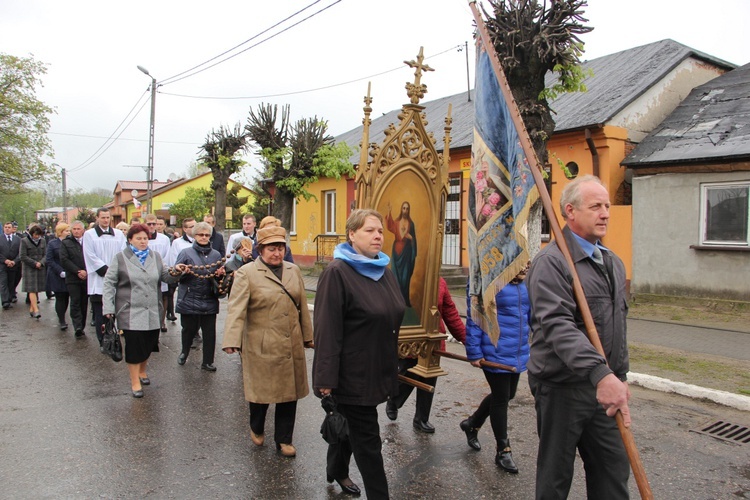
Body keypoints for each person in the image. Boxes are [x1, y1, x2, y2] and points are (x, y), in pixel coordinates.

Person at [526, 175, 631, 499]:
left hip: (605, 389)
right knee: (556, 478)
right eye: (595, 206)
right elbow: (557, 325)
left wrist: (618, 377)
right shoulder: (552, 263)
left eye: (607, 206)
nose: (605, 213)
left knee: (613, 470)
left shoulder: (612, 262)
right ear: (570, 211)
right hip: (562, 387)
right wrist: (601, 374)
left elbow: (617, 326)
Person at [313, 209, 406, 499]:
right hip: (351, 375)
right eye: (369, 230)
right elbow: (327, 329)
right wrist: (325, 378)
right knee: (369, 442)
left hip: (378, 366)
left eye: (380, 231)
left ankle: (336, 468)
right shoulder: (337, 273)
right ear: (352, 235)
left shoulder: (383, 270)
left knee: (351, 428)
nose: (378, 235)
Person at [222, 224, 313, 458]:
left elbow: (302, 305)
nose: (277, 253)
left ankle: (284, 440)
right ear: (260, 250)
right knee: (262, 393)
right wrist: (232, 339)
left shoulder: (293, 270)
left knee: (288, 394)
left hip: (290, 342)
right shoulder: (247, 273)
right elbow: (236, 310)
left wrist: (308, 336)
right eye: (272, 248)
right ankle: (256, 425)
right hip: (261, 343)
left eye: (281, 248)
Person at [460, 262, 531, 474]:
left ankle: (472, 423)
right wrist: (474, 352)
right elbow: (475, 317)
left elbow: (529, 316)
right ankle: (503, 450)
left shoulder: (521, 286)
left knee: (508, 395)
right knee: (501, 398)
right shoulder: (488, 281)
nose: (527, 266)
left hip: (516, 352)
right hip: (494, 350)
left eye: (528, 262)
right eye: (523, 262)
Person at [102, 224, 185, 397]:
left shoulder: (155, 257)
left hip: (153, 310)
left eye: (145, 238)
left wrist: (177, 272)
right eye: (138, 238)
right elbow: (109, 283)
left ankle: (142, 370)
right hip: (130, 310)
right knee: (134, 346)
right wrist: (108, 308)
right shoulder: (120, 258)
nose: (142, 241)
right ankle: (135, 382)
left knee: (149, 343)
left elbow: (165, 277)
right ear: (130, 240)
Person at [386, 276, 466, 433]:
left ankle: (421, 418)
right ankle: (394, 401)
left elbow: (450, 313)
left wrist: (466, 339)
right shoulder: (406, 278)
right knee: (409, 374)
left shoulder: (440, 282)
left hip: (433, 341)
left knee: (429, 377)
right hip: (411, 339)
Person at [174, 221, 225, 370]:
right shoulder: (185, 253)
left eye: (207, 235)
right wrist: (184, 271)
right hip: (189, 298)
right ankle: (185, 351)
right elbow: (176, 276)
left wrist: (219, 275)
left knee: (209, 333)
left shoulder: (216, 255)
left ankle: (208, 361)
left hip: (209, 298)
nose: (204, 237)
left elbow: (219, 279)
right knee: (188, 330)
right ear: (195, 235)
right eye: (201, 234)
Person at [83, 208, 127, 348]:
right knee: (100, 313)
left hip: (116, 278)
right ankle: (103, 340)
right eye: (103, 217)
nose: (106, 220)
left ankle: (115, 338)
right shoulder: (89, 235)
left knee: (117, 311)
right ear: (97, 218)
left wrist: (116, 270)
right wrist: (106, 270)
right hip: (98, 279)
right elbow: (90, 255)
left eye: (108, 217)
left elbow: (123, 252)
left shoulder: (119, 234)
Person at [60, 221, 88, 337]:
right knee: (75, 301)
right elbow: (64, 259)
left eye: (78, 229)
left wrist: (86, 271)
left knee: (84, 302)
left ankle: (82, 324)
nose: (76, 231)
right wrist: (77, 271)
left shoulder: (88, 242)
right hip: (73, 278)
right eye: (74, 229)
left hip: (87, 277)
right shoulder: (66, 243)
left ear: (83, 230)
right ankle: (77, 326)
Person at [385, 201, 416, 306]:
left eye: (407, 209)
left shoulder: (411, 225)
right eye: (404, 208)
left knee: (405, 278)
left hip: (406, 254)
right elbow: (390, 226)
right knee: (395, 277)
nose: (405, 211)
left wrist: (411, 239)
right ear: (401, 209)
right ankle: (396, 301)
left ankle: (404, 300)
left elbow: (414, 240)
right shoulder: (397, 222)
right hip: (396, 252)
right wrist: (389, 212)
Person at [144, 214, 171, 332]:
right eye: (148, 224)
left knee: (163, 297)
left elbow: (167, 255)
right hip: (144, 273)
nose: (151, 226)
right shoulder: (141, 237)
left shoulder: (163, 239)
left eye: (153, 224)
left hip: (160, 271)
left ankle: (161, 320)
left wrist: (160, 268)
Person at [46, 223, 72, 330]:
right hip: (57, 275)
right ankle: (61, 319)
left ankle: (63, 315)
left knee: (66, 298)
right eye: (67, 231)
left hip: (69, 273)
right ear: (60, 232)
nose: (68, 233)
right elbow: (49, 260)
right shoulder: (52, 244)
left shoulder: (70, 243)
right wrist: (60, 271)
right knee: (60, 297)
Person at [20, 225, 47, 319]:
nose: (37, 237)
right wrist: (34, 263)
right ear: (31, 233)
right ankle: (36, 310)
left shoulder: (43, 241)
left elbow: (46, 254)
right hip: (29, 269)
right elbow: (22, 256)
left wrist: (41, 263)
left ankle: (32, 309)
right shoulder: (24, 241)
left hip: (40, 268)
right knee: (31, 289)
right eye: (35, 235)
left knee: (36, 289)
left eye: (39, 235)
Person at [1, 221, 22, 310]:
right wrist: (5, 260)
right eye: (6, 227)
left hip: (14, 265)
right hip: (2, 265)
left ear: (12, 228)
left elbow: (20, 252)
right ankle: (5, 301)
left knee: (11, 282)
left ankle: (10, 297)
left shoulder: (17, 239)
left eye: (9, 227)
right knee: (3, 283)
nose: (7, 229)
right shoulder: (0, 238)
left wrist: (14, 261)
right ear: (3, 228)